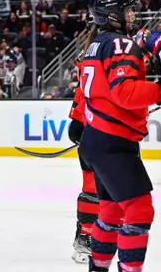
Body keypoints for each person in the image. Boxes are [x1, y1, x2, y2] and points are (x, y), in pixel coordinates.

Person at [79, 0, 161, 272]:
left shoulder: (96, 44)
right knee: (139, 209)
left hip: (97, 138)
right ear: (112, 14)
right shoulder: (120, 44)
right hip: (113, 142)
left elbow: (101, 94)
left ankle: (98, 268)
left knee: (112, 211)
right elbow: (124, 92)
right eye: (127, 10)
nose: (132, 14)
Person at [68, 51, 99, 265]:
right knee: (93, 189)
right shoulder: (97, 62)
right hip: (97, 134)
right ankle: (85, 237)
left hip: (109, 135)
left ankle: (95, 235)